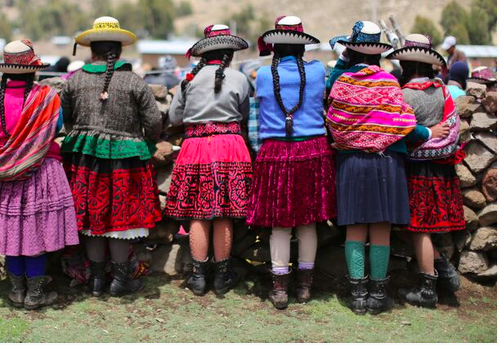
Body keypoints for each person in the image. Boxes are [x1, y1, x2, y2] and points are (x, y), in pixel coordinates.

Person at [326, 21, 448, 316]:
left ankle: (357, 295)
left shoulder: (342, 82)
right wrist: (428, 133)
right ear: (378, 54)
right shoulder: (390, 83)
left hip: (352, 162)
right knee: (381, 229)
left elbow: (333, 116)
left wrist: (345, 57)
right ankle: (378, 295)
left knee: (355, 228)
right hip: (386, 163)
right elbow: (403, 123)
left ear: (352, 51)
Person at [62, 17, 162, 297]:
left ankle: (96, 280)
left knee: (93, 219)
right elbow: (154, 122)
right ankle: (120, 281)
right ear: (119, 50)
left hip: (85, 160)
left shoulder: (74, 82)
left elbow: (66, 119)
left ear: (91, 50)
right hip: (126, 161)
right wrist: (143, 141)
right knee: (121, 220)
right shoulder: (134, 81)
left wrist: (83, 137)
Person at [0, 40, 79, 310]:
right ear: (33, 69)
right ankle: (35, 294)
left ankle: (16, 290)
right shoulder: (47, 97)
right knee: (36, 233)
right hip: (40, 171)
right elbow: (55, 128)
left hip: (5, 175)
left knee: (13, 234)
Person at [246, 16, 337, 309]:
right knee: (308, 221)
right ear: (302, 46)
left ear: (274, 46)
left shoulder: (263, 75)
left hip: (275, 152)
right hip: (313, 149)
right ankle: (305, 286)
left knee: (280, 224)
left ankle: (280, 288)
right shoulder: (317, 70)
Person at [165, 24, 252, 296]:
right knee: (224, 213)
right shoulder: (239, 79)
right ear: (229, 54)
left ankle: (198, 277)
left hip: (196, 148)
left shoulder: (189, 80)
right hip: (230, 148)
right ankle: (222, 277)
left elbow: (174, 118)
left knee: (198, 212)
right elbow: (244, 114)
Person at [387, 34, 464, 308]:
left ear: (405, 64)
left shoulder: (403, 95)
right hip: (441, 170)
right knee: (424, 228)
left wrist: (422, 138)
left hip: (413, 171)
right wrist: (434, 135)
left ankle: (428, 288)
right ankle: (443, 269)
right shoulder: (443, 91)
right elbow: (452, 129)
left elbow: (400, 132)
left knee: (416, 228)